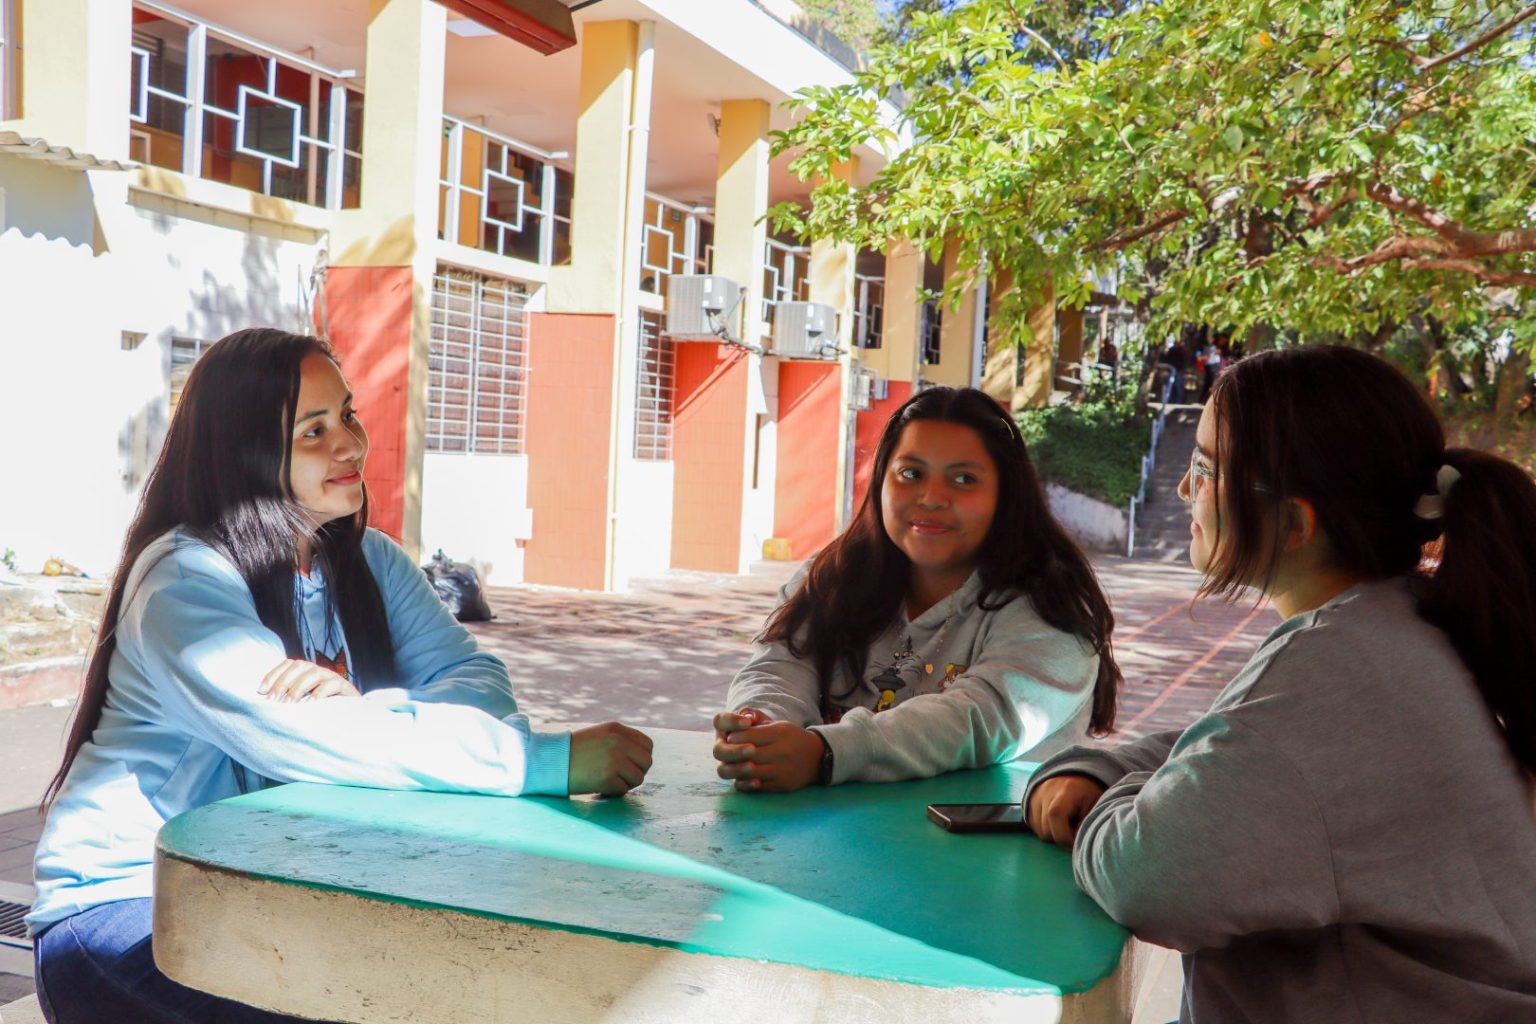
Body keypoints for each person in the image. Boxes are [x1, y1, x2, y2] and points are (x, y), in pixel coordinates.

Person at [28, 328, 654, 1024]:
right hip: (124, 910)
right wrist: (542, 762)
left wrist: (365, 712)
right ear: (245, 451)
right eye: (313, 431)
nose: (351, 444)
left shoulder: (370, 561)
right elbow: (297, 735)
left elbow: (476, 679)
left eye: (347, 415)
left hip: (268, 896)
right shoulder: (186, 579)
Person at [1025, 345, 1536, 1022]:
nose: (1183, 491)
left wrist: (1119, 798)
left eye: (1206, 469)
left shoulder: (1338, 664)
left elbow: (1147, 877)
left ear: (1294, 522)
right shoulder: (1399, 625)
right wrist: (1107, 766)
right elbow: (1245, 748)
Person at [712, 386, 1121, 793]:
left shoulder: (1053, 607)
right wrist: (760, 725)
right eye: (911, 474)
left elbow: (978, 718)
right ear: (881, 479)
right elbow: (779, 666)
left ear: (1007, 496)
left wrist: (825, 753)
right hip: (840, 830)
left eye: (964, 479)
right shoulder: (832, 577)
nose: (931, 498)